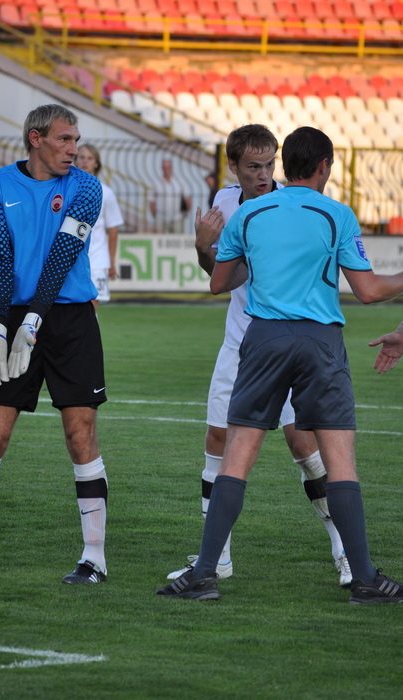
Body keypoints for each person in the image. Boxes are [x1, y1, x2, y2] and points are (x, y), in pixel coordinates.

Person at [158, 126, 403, 604]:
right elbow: (369, 291)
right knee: (338, 460)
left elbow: (219, 284)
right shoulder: (336, 214)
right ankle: (364, 578)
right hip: (319, 341)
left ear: (283, 165)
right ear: (325, 166)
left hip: (263, 337)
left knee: (237, 455)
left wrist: (205, 247)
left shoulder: (249, 213)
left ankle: (205, 573)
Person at [0, 104, 109, 586]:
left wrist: (34, 322)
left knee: (80, 435)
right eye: (65, 139)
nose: (74, 149)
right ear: (36, 138)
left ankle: (93, 558)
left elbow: (62, 258)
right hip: (14, 314)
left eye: (77, 140)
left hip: (70, 319)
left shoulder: (86, 187)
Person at [75, 143, 123, 311]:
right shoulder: (67, 189)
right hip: (71, 258)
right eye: (81, 157)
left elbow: (113, 229)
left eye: (90, 158)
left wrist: (111, 262)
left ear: (96, 163)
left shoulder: (106, 193)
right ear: (75, 160)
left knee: (92, 305)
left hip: (97, 258)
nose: (85, 162)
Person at [149, 158, 191, 234]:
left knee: (178, 240)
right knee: (160, 240)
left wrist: (185, 214)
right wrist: (156, 216)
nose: (166, 170)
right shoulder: (156, 183)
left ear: (171, 168)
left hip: (177, 218)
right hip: (160, 219)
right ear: (162, 168)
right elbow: (152, 202)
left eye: (168, 167)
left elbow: (187, 199)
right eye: (165, 167)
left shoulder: (179, 182)